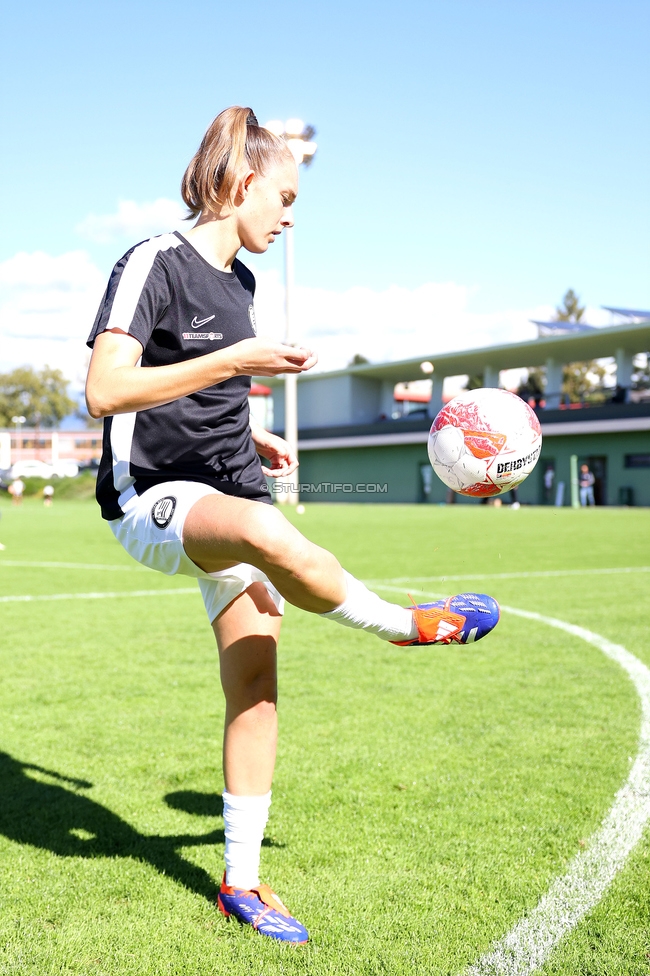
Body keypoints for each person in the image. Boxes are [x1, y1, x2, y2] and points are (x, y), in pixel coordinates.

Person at [85, 106, 500, 944]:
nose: (290, 213)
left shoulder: (239, 283)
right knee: (275, 540)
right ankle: (403, 626)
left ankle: (241, 884)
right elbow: (105, 391)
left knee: (257, 690)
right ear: (241, 185)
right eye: (284, 194)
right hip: (154, 497)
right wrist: (236, 362)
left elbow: (202, 395)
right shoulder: (151, 262)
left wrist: (249, 428)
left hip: (229, 485)